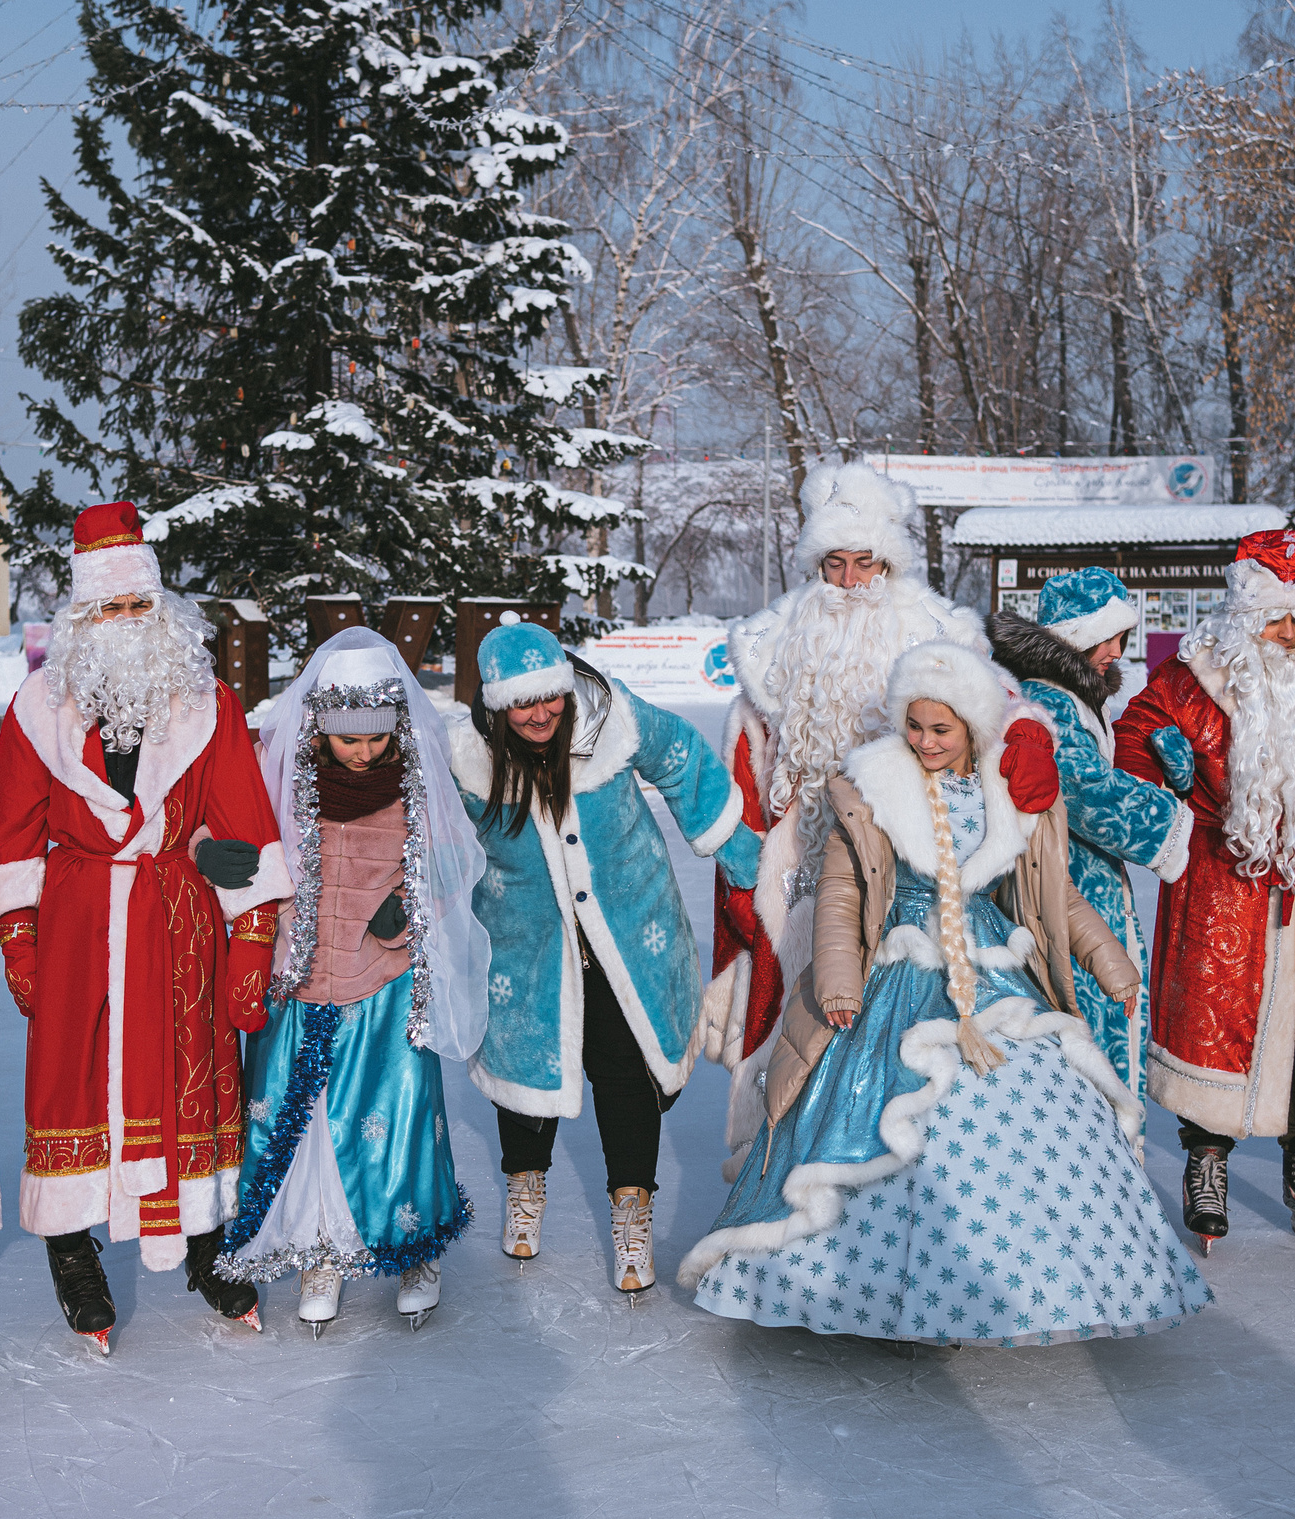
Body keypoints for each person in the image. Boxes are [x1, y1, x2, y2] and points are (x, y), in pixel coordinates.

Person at [682, 638, 1208, 1347]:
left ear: (972, 726)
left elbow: (1055, 895)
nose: (925, 741)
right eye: (915, 725)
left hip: (994, 973)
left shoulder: (1004, 791)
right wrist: (838, 977)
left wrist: (1109, 961)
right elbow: (841, 894)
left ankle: (1029, 1283)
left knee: (1031, 1116)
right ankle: (854, 1289)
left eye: (941, 728)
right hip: (899, 971)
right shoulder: (872, 789)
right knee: (877, 1115)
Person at [0, 502, 290, 1354]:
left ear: (162, 610)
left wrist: (252, 940)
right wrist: (19, 937)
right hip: (79, 923)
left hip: (178, 920)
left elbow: (246, 827)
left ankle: (205, 1242)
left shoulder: (208, 704)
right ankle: (72, 1247)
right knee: (72, 1081)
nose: (123, 620)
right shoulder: (38, 708)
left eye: (137, 605)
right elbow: (7, 834)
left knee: (190, 1075)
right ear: (81, 617)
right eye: (107, 607)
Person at [703, 465, 1046, 1157]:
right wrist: (743, 854)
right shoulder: (775, 641)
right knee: (796, 1023)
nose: (850, 581)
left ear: (889, 561)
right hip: (802, 864)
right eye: (834, 564)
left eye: (865, 562)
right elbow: (748, 748)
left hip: (912, 868)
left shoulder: (937, 627)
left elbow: (996, 702)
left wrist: (1028, 733)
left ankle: (909, 1175)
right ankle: (782, 1168)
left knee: (904, 1040)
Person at [448, 618, 761, 1291]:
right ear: (497, 706)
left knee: (624, 1071)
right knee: (526, 1065)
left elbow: (681, 754)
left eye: (549, 697)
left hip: (629, 928)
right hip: (526, 943)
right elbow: (424, 828)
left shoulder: (611, 715)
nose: (540, 714)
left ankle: (632, 1207)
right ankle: (525, 1182)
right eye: (522, 704)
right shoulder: (466, 757)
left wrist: (736, 849)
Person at [1114, 529, 1295, 1256]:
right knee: (1213, 1021)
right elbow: (1132, 740)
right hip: (1220, 881)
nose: (1290, 634)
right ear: (1244, 617)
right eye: (1274, 619)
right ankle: (1206, 1164)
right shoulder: (1192, 677)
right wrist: (1165, 786)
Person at [214, 630, 491, 1332]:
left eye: (376, 738)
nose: (364, 752)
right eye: (348, 740)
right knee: (306, 1124)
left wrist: (406, 908)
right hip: (301, 980)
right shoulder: (285, 778)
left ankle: (415, 1249)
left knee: (397, 1120)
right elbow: (247, 851)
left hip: (383, 983)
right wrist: (225, 867)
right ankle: (321, 1247)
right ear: (320, 729)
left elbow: (455, 861)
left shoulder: (414, 785)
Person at [988, 566, 1192, 1095]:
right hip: (1067, 885)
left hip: (1081, 881)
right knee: (1087, 1031)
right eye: (1108, 638)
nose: (1118, 652)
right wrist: (1172, 816)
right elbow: (1085, 793)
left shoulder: (1072, 693)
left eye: (1123, 637)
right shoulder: (1051, 700)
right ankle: (1103, 1145)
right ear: (1076, 637)